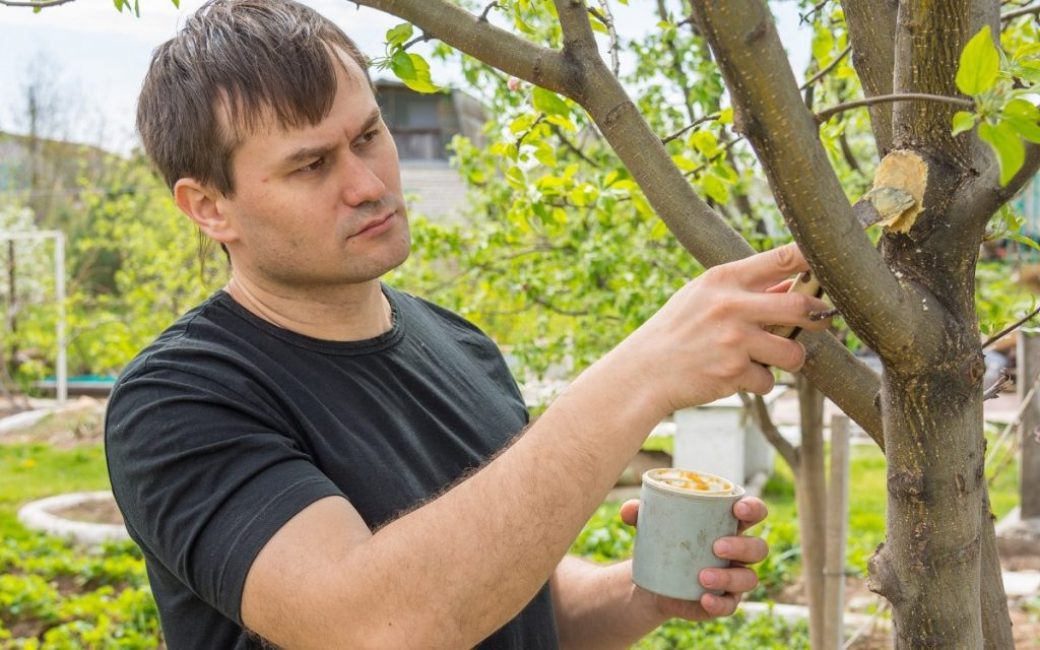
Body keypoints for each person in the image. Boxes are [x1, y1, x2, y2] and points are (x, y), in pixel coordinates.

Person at [104, 1, 832, 648]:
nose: (368, 184)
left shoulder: (461, 346)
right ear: (209, 207)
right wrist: (643, 373)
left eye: (368, 136)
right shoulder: (177, 401)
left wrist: (641, 594)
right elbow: (372, 628)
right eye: (311, 165)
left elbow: (510, 603)